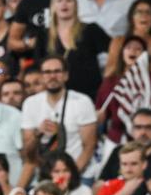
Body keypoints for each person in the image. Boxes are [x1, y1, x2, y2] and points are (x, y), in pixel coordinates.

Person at [20, 55, 98, 186]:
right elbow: (28, 152)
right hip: (45, 176)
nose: (52, 76)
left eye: (57, 71)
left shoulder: (82, 102)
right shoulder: (30, 103)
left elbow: (89, 147)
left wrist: (70, 177)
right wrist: (38, 133)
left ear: (66, 75)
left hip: (79, 173)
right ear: (42, 76)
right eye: (47, 72)